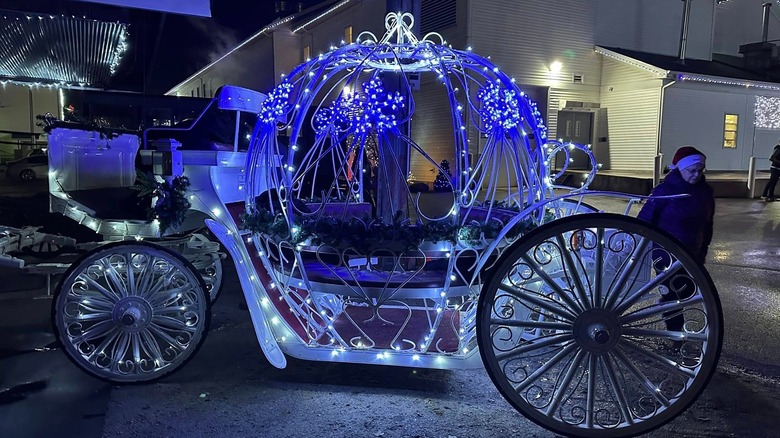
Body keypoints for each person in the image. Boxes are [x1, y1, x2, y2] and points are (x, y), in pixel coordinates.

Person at [637, 146, 715, 348]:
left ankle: (670, 314)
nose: (697, 174)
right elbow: (646, 218)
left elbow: (708, 224)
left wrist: (703, 250)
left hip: (692, 252)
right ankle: (676, 337)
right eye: (693, 170)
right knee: (673, 295)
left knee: (687, 291)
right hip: (666, 254)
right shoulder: (665, 191)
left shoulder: (705, 193)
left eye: (701, 170)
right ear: (681, 169)